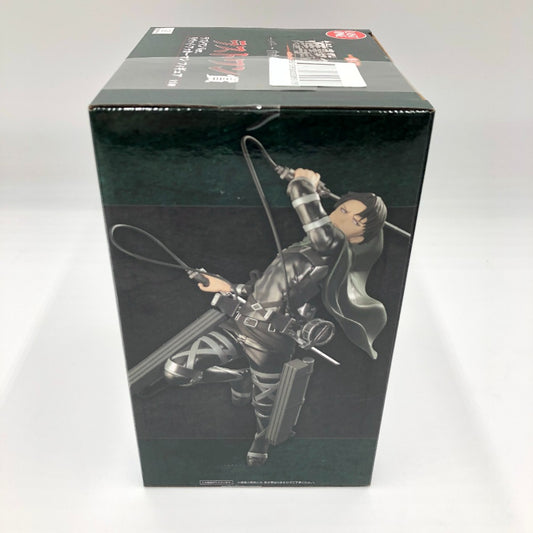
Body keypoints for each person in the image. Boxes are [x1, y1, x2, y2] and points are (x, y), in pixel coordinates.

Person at [164, 168, 388, 465]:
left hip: (270, 342)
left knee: (265, 408)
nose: (340, 217)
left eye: (354, 219)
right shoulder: (303, 249)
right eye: (342, 209)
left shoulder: (331, 247)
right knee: (176, 370)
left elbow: (305, 202)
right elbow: (262, 290)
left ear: (359, 235)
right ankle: (238, 376)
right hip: (239, 326)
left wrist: (304, 182)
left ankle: (260, 440)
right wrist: (224, 285)